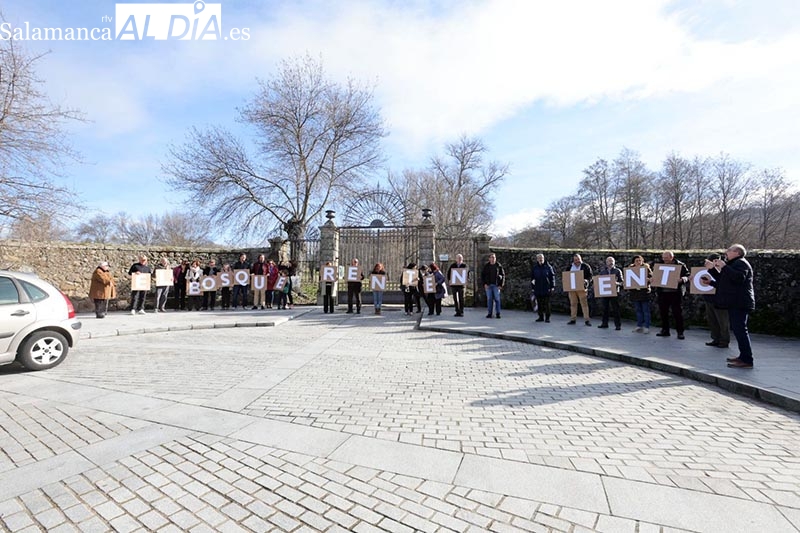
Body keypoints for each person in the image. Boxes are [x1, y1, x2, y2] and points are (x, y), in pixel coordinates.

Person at [703, 244, 755, 369]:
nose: (726, 252)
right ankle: (743, 356)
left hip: (740, 303)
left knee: (741, 331)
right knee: (738, 330)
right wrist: (712, 271)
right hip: (734, 302)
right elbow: (723, 280)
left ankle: (747, 359)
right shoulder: (733, 264)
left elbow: (738, 278)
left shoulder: (741, 264)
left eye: (730, 250)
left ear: (737, 253)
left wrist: (724, 266)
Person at [655, 251, 690, 339]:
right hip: (663, 293)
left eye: (666, 259)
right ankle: (665, 330)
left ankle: (680, 332)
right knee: (663, 313)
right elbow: (655, 275)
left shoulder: (680, 265)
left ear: (672, 257)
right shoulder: (660, 264)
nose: (665, 260)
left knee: (677, 313)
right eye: (663, 258)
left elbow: (688, 276)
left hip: (675, 293)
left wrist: (682, 279)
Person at [702, 253, 730, 349]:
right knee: (712, 320)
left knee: (722, 321)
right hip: (709, 298)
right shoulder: (706, 270)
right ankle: (716, 339)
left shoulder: (725, 270)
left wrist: (711, 282)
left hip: (720, 299)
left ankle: (724, 340)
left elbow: (723, 284)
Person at [628, 255, 653, 333]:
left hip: (644, 293)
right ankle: (639, 325)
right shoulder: (630, 270)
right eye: (636, 261)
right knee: (638, 310)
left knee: (646, 310)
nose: (638, 262)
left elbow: (652, 279)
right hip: (635, 293)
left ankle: (647, 326)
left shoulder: (646, 269)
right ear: (634, 262)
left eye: (640, 260)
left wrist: (648, 279)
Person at [565, 253, 592, 326]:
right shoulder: (570, 267)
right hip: (572, 288)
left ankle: (587, 320)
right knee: (573, 304)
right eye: (575, 260)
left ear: (581, 259)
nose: (577, 261)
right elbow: (566, 276)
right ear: (573, 260)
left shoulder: (586, 266)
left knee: (584, 304)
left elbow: (590, 276)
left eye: (578, 259)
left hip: (582, 288)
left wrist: (586, 281)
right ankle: (573, 319)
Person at [597, 256, 623, 330]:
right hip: (605, 293)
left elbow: (622, 282)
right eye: (609, 261)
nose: (610, 262)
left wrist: (616, 283)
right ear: (606, 263)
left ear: (614, 262)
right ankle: (604, 323)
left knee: (616, 309)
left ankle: (618, 325)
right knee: (605, 309)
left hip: (615, 292)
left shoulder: (617, 271)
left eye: (612, 261)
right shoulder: (603, 272)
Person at [530, 253, 555, 323]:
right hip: (538, 288)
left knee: (547, 304)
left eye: (542, 258)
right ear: (537, 259)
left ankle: (547, 318)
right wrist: (533, 288)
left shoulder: (548, 267)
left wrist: (552, 287)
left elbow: (552, 277)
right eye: (539, 258)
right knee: (539, 303)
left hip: (546, 288)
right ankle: (540, 317)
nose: (541, 259)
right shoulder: (535, 268)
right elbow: (532, 279)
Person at [481, 253, 505, 319]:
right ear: (489, 259)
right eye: (491, 257)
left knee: (497, 299)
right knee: (489, 299)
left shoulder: (499, 266)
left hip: (496, 285)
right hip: (488, 285)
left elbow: (503, 275)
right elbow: (482, 276)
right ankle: (489, 313)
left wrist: (501, 285)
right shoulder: (486, 266)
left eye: (494, 257)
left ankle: (498, 313)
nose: (493, 259)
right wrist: (484, 284)